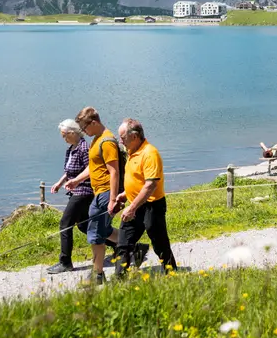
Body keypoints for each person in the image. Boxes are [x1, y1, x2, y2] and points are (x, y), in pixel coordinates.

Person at [46, 120, 118, 275]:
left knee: (65, 224)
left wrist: (77, 181)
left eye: (65, 135)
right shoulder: (72, 148)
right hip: (75, 190)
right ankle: (119, 245)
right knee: (84, 226)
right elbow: (70, 170)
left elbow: (91, 168)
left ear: (72, 133)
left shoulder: (84, 147)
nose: (63, 138)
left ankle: (65, 262)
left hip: (84, 192)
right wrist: (60, 182)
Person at [114, 118, 178, 275]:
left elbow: (150, 185)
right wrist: (125, 194)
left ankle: (171, 272)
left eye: (122, 137)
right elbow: (138, 180)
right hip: (134, 204)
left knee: (159, 242)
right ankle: (120, 278)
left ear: (134, 136)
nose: (120, 140)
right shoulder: (131, 152)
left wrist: (132, 207)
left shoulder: (150, 153)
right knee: (123, 242)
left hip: (152, 206)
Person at [66, 107, 121, 285]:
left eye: (84, 128)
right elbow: (93, 167)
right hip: (98, 192)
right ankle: (132, 245)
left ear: (94, 122)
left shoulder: (106, 141)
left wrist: (113, 199)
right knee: (103, 230)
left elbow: (114, 172)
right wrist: (76, 180)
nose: (83, 132)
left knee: (95, 232)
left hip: (106, 192)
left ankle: (97, 275)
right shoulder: (96, 140)